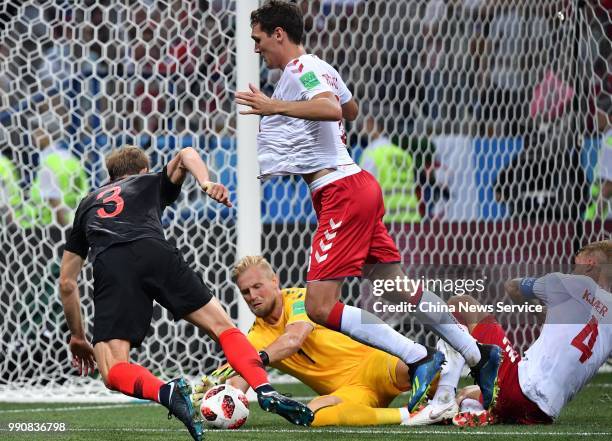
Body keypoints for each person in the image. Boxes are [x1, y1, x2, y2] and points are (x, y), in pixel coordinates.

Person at [236, 0, 501, 412]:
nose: (256, 48)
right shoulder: (320, 66)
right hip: (355, 183)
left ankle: (418, 358)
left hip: (340, 190)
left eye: (258, 39)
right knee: (397, 285)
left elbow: (329, 108)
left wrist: (275, 107)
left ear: (278, 34)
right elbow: (350, 109)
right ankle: (478, 355)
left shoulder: (300, 70)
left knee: (321, 307)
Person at [58, 146, 314, 441]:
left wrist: (78, 336)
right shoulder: (151, 180)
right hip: (156, 251)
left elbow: (67, 283)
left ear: (110, 177)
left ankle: (167, 393)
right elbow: (187, 153)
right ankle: (265, 390)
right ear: (143, 170)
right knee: (224, 328)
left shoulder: (88, 204)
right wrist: (205, 183)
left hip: (113, 265)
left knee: (113, 368)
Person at [196, 256, 458, 426]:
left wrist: (257, 359)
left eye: (257, 286)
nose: (252, 296)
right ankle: (411, 416)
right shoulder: (254, 337)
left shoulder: (301, 299)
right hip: (348, 391)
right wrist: (221, 393)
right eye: (245, 292)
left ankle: (465, 391)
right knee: (314, 416)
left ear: (274, 281)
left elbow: (294, 338)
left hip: (376, 363)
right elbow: (240, 381)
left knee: (426, 374)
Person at [421, 240, 612, 426]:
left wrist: (535, 307)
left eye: (576, 262)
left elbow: (513, 287)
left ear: (590, 264)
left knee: (461, 302)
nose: (572, 268)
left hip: (521, 389)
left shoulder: (572, 283)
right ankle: (474, 408)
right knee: (468, 392)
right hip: (541, 414)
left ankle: (442, 400)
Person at [359, 116, 421, 223]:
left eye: (366, 123)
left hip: (386, 221)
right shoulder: (404, 155)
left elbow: (363, 191)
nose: (361, 128)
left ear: (374, 125)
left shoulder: (371, 153)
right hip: (411, 218)